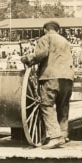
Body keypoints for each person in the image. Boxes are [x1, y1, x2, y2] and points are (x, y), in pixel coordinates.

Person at [22, 21, 74, 149]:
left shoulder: (45, 38)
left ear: (45, 29)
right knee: (63, 105)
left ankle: (55, 136)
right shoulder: (65, 41)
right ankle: (63, 134)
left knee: (47, 105)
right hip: (68, 76)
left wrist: (28, 58)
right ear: (58, 30)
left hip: (51, 76)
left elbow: (41, 54)